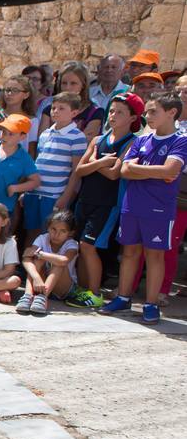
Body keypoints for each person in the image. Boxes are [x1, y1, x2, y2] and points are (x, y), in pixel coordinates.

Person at [100, 95, 186, 324]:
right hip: (132, 205)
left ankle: (151, 304)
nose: (147, 117)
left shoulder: (181, 140)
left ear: (172, 113)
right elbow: (125, 171)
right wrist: (151, 170)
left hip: (159, 209)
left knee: (154, 256)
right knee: (129, 253)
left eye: (153, 111)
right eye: (146, 112)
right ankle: (123, 297)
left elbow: (171, 171)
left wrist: (140, 168)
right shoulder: (142, 140)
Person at [69, 92, 139, 307]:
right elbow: (80, 169)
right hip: (85, 200)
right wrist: (101, 163)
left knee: (89, 246)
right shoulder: (98, 140)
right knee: (81, 246)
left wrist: (94, 162)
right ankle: (82, 290)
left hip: (107, 204)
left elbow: (114, 174)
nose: (113, 116)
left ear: (133, 118)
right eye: (111, 111)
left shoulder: (131, 142)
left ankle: (95, 292)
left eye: (120, 112)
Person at [25, 91, 87, 238]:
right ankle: (27, 260)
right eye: (53, 108)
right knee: (31, 232)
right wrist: (27, 189)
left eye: (61, 108)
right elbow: (38, 161)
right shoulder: (45, 133)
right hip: (34, 192)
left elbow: (76, 171)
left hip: (54, 195)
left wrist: (66, 196)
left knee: (51, 235)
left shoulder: (77, 136)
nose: (55, 111)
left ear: (74, 112)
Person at [16, 209, 78, 315]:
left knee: (57, 262)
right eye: (53, 229)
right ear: (48, 228)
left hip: (64, 289)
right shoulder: (42, 238)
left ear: (70, 233)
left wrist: (41, 254)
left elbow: (64, 260)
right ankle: (28, 295)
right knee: (36, 261)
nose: (56, 234)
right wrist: (37, 278)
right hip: (40, 284)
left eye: (62, 231)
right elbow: (26, 257)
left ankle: (42, 298)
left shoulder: (71, 244)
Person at [48, 61, 102, 140]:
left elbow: (84, 141)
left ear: (83, 85)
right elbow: (44, 139)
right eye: (64, 83)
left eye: (73, 83)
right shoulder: (51, 109)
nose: (67, 88)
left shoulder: (95, 112)